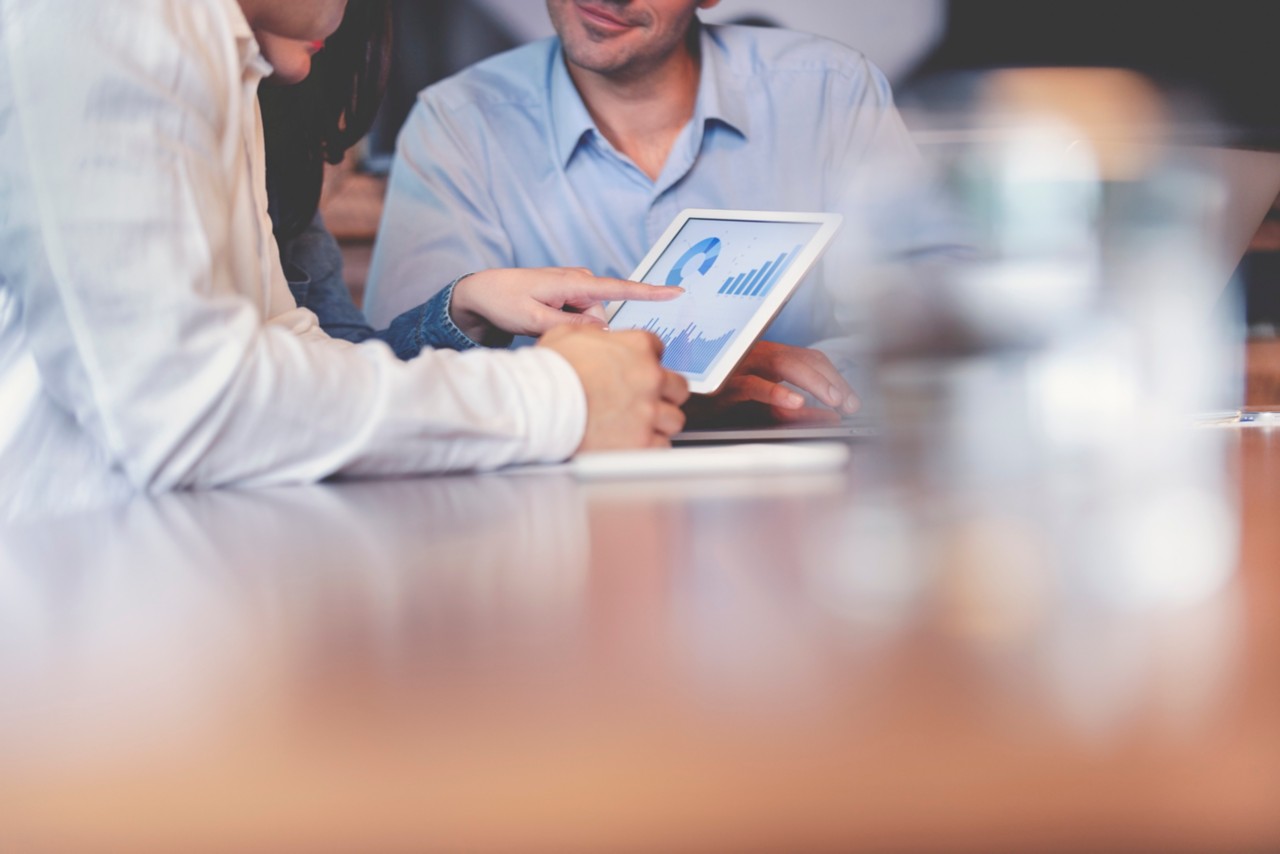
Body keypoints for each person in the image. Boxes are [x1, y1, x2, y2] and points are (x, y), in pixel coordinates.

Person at [0, 0, 688, 515]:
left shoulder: (225, 58)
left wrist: (472, 310)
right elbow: (187, 406)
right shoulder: (116, 18)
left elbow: (297, 346)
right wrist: (560, 395)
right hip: (73, 608)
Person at [365, 0, 921, 423]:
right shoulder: (457, 124)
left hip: (800, 486)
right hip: (562, 501)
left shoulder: (832, 92)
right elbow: (406, 375)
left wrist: (799, 379)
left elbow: (931, 318)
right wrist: (674, 378)